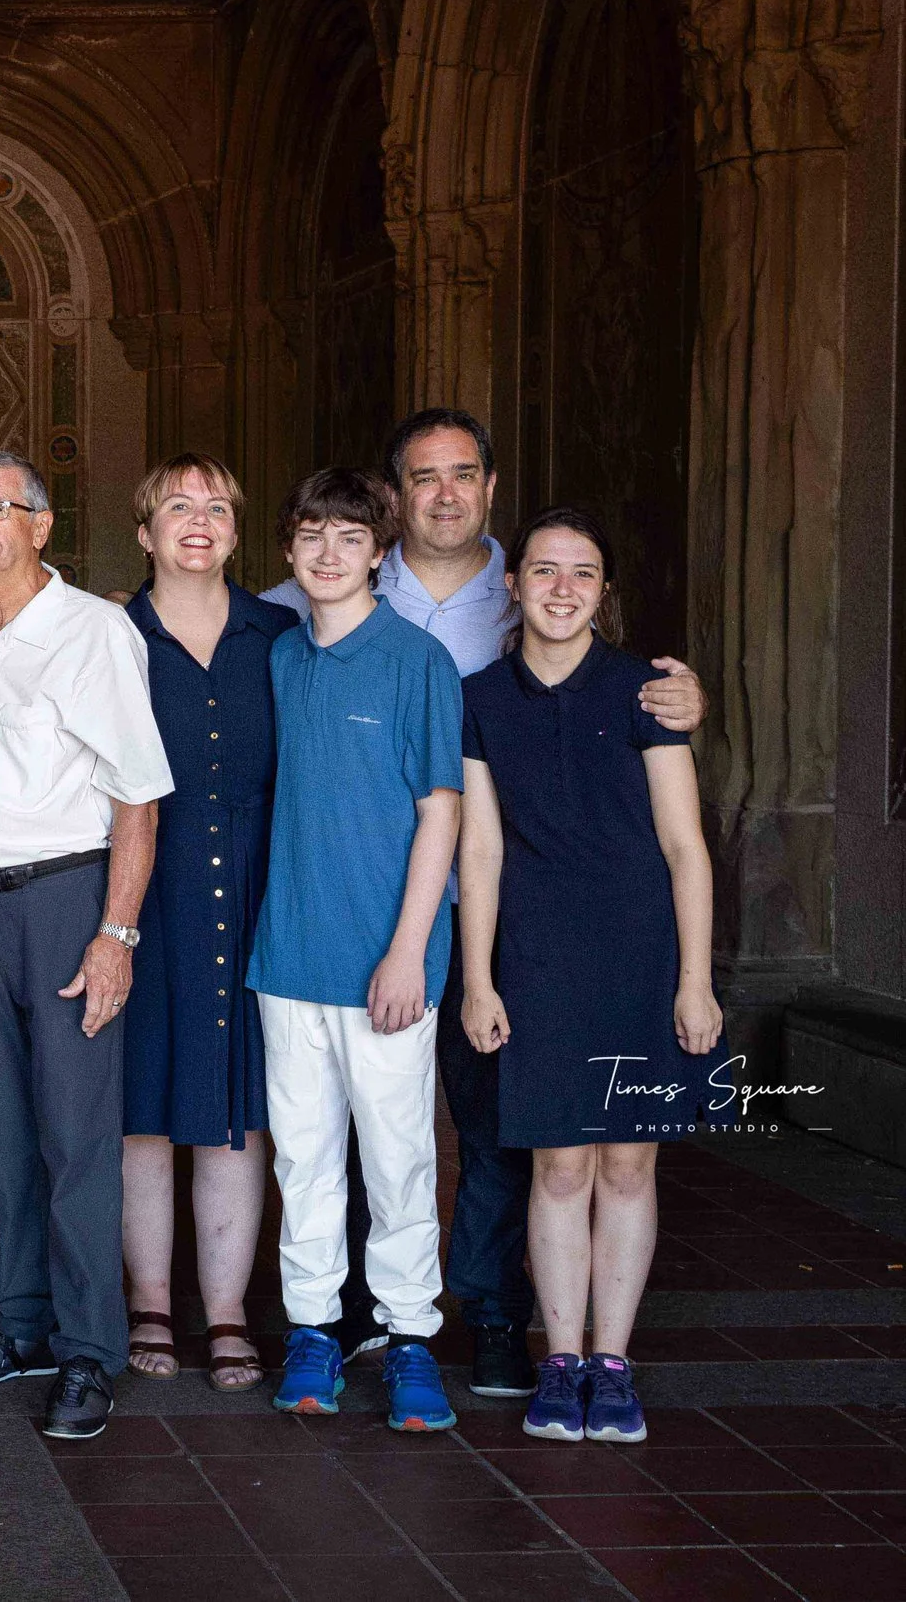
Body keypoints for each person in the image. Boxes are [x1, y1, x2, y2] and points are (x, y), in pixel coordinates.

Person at [263, 408, 706, 1394]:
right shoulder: (302, 601)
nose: (446, 491)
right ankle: (343, 1315)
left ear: (489, 488)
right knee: (347, 1126)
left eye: (463, 472)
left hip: (509, 909)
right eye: (423, 476)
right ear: (393, 499)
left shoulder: (533, 588)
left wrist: (684, 698)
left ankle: (497, 1314)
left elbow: (611, 693)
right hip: (377, 908)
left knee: (497, 1119)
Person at [0, 452, 172, 1443]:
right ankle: (19, 1326)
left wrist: (115, 932)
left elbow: (136, 794)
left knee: (75, 1137)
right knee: (5, 1134)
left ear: (41, 522)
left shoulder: (93, 630)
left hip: (65, 897)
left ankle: (87, 1352)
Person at [456, 508, 723, 1445]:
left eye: (583, 573)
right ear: (513, 584)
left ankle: (613, 1363)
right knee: (560, 1164)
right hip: (537, 956)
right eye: (544, 570)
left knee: (629, 1159)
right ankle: (559, 1358)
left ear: (603, 592)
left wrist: (695, 979)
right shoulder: (481, 696)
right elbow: (479, 851)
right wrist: (479, 980)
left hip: (638, 954)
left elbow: (686, 849)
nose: (562, 589)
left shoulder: (644, 690)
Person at [252, 467, 463, 1434]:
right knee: (303, 1161)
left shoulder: (415, 661)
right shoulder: (281, 659)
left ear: (381, 550)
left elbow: (440, 812)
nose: (328, 552)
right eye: (311, 534)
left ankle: (412, 1337)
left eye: (349, 536)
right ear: (290, 549)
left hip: (386, 960)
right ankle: (312, 1329)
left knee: (398, 1157)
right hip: (288, 956)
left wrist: (409, 950)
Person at [119, 454, 295, 1393]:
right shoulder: (111, 637)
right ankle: (151, 1301)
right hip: (144, 894)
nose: (198, 518)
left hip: (263, 894)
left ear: (235, 531)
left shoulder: (283, 633)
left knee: (238, 1107)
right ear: (144, 534)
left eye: (217, 505)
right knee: (143, 1104)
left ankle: (225, 1310)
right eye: (176, 506)